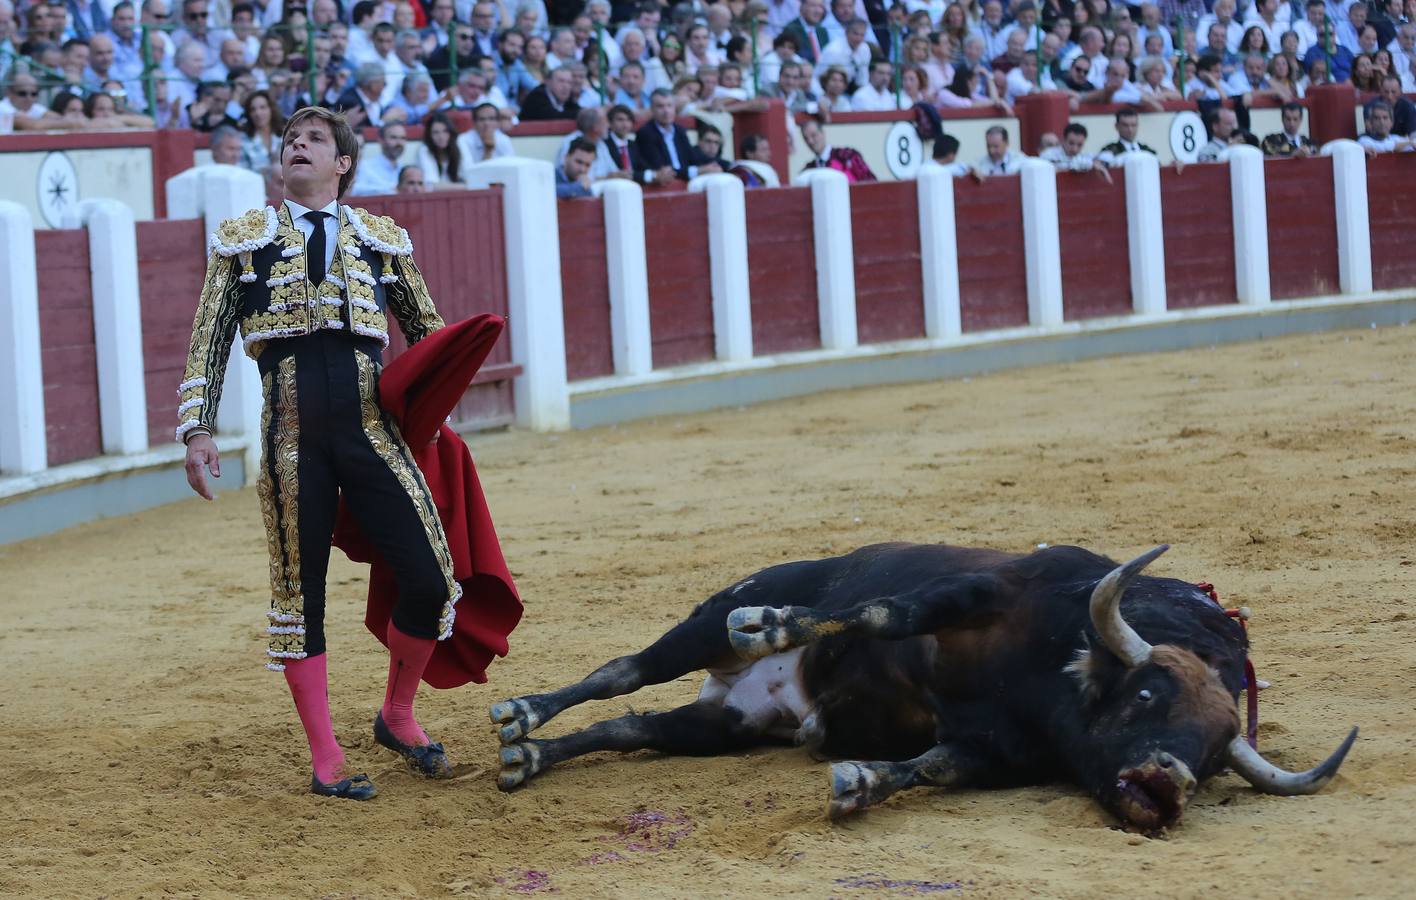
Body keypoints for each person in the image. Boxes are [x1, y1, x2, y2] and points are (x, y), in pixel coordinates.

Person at [177, 106, 462, 800]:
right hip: (290, 442)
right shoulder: (244, 242)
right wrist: (197, 429)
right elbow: (209, 338)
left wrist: (440, 415)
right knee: (299, 598)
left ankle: (397, 715)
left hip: (372, 433)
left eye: (313, 139)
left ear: (343, 164)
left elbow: (431, 336)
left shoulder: (381, 241)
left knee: (429, 578)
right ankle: (326, 756)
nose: (296, 145)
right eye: (289, 139)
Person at [634, 87, 720, 184]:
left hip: (684, 182)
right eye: (660, 106)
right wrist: (698, 171)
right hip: (663, 187)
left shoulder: (679, 130)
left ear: (674, 108)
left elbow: (693, 158)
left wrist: (725, 165)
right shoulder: (645, 133)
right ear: (652, 109)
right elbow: (663, 170)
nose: (666, 111)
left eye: (669, 106)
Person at [799, 116, 877, 182]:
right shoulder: (808, 170)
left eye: (814, 135)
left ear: (823, 133)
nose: (810, 141)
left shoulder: (848, 155)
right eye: (806, 138)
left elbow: (871, 183)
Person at [457, 102, 515, 177]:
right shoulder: (463, 140)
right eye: (482, 119)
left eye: (491, 119)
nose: (486, 123)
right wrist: (488, 152)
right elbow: (467, 175)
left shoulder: (504, 139)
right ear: (474, 123)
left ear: (498, 122)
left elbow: (510, 169)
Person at [351, 121, 407, 195]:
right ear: (381, 140)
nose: (399, 143)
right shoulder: (365, 166)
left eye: (402, 138)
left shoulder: (404, 168)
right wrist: (390, 190)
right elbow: (353, 190)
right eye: (393, 137)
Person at [239, 89, 283, 171]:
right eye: (253, 109)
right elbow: (243, 173)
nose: (258, 113)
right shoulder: (243, 140)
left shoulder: (283, 136)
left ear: (271, 109)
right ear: (249, 114)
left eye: (263, 107)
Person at [417, 110, 463, 186]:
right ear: (429, 135)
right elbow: (431, 186)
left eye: (445, 131)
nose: (441, 137)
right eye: (436, 132)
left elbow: (468, 175)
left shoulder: (458, 146)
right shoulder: (424, 150)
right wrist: (466, 187)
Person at [1040, 121, 1105, 171]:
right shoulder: (1048, 154)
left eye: (1080, 145)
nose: (1075, 149)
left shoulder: (1084, 157)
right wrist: (1090, 164)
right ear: (1063, 140)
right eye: (1071, 143)